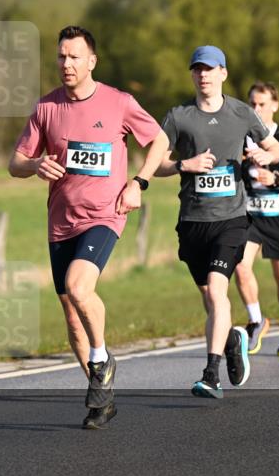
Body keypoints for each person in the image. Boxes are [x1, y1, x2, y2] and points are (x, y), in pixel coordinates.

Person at [9, 25, 169, 429]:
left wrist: (139, 183)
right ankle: (102, 397)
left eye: (74, 57)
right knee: (71, 314)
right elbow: (15, 162)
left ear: (91, 61)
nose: (66, 64)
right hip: (60, 221)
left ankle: (102, 359)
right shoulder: (46, 109)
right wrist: (34, 164)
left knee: (81, 288)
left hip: (105, 214)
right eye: (61, 56)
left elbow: (160, 142)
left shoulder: (118, 102)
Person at [154, 45, 279, 398]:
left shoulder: (241, 113)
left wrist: (262, 154)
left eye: (210, 69)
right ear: (192, 74)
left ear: (223, 73)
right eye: (197, 69)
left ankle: (211, 374)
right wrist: (184, 165)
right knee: (210, 298)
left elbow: (276, 149)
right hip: (193, 220)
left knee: (218, 288)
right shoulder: (178, 117)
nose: (203, 75)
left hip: (231, 219)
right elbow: (157, 162)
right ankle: (232, 340)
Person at [234, 82, 279, 357]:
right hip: (249, 213)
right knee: (240, 266)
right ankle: (257, 321)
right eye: (252, 104)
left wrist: (275, 177)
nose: (256, 109)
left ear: (274, 105)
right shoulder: (242, 135)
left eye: (262, 104)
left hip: (277, 213)